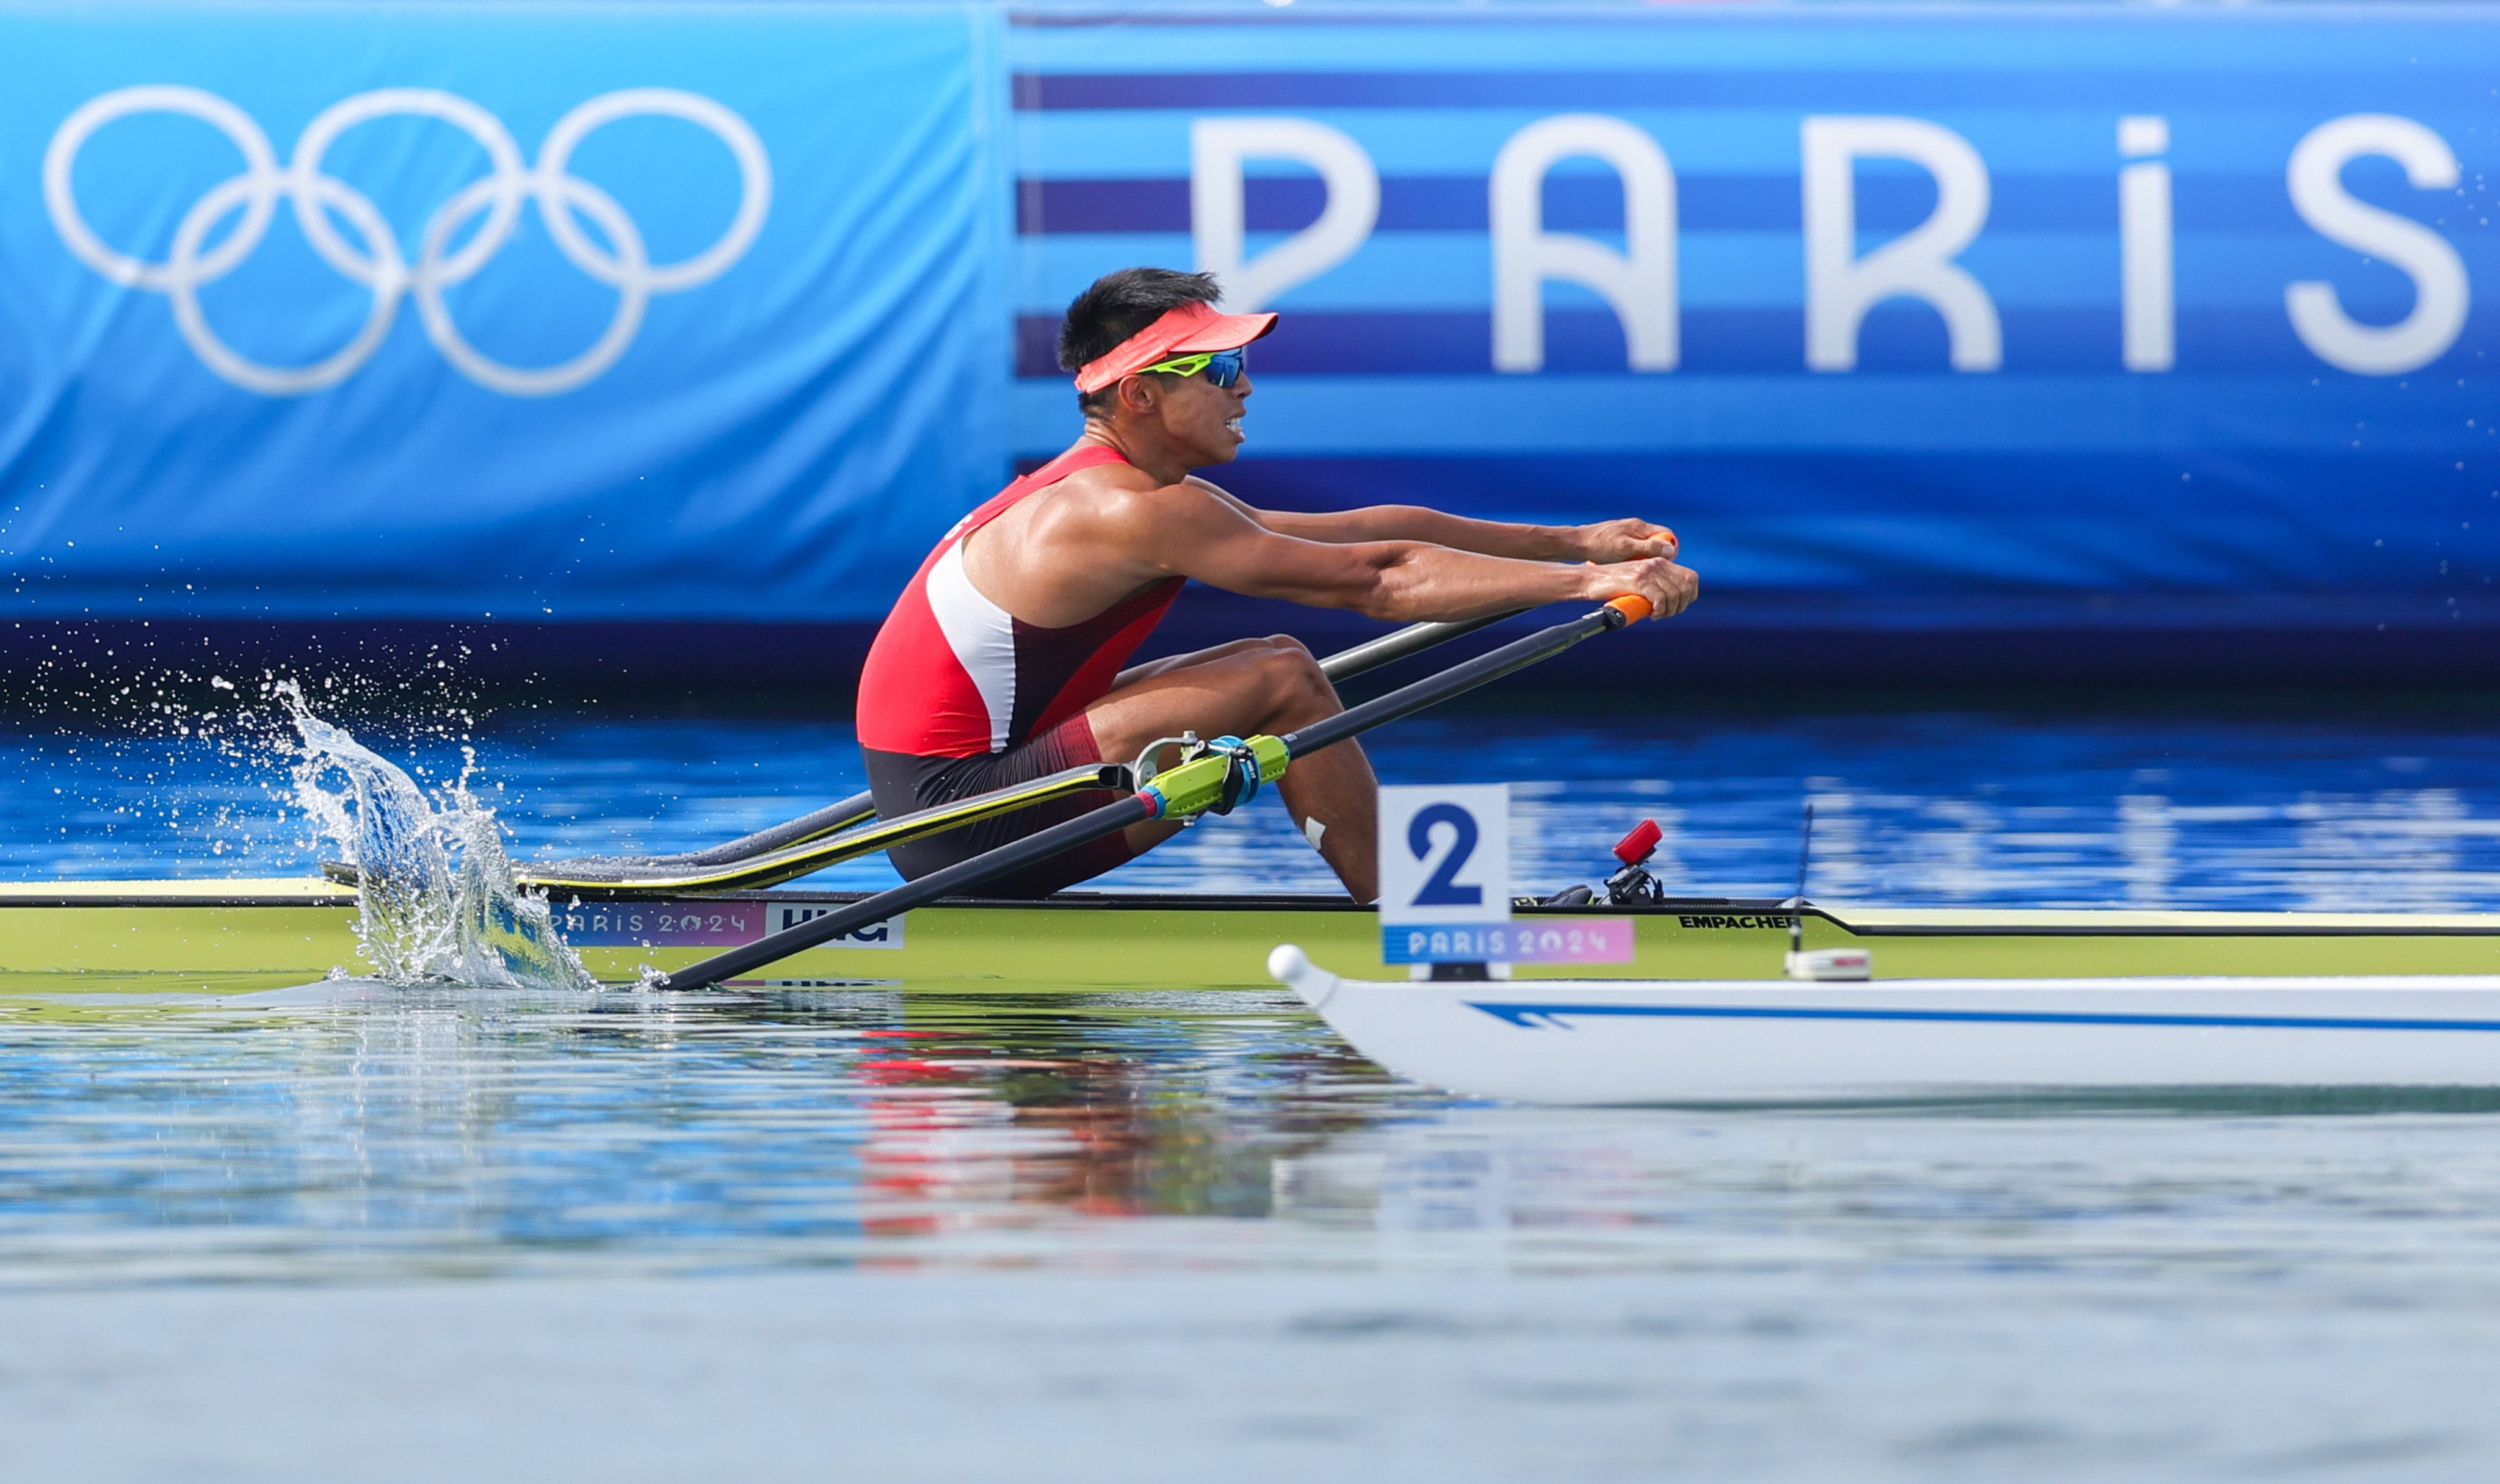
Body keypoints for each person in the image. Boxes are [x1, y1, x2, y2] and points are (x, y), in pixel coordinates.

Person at [854, 267, 1698, 902]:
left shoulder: (1133, 490)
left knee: (1275, 658)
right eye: (1219, 370)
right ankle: (1408, 917)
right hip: (962, 829)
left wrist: (1572, 539)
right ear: (1142, 393)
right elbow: (1377, 581)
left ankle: (1400, 903)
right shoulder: (1121, 509)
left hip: (973, 798)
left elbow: (1368, 531)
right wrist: (1587, 582)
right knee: (1282, 675)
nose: (1246, 386)